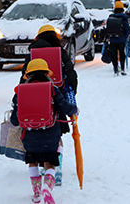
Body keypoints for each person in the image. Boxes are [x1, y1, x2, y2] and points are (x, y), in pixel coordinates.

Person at [11, 59, 78, 204]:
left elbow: (14, 120)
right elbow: (65, 107)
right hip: (50, 134)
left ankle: (36, 193)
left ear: (27, 75)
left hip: (28, 135)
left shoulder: (20, 91)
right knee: (50, 163)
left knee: (33, 162)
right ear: (47, 73)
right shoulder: (52, 89)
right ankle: (47, 188)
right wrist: (75, 110)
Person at [20, 24, 78, 186]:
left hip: (33, 103)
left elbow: (24, 77)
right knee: (56, 133)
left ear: (38, 37)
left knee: (35, 131)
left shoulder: (32, 54)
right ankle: (55, 170)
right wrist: (70, 95)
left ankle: (40, 170)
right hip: (55, 100)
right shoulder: (60, 52)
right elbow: (71, 74)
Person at [106, 1, 130, 76]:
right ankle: (122, 68)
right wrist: (125, 37)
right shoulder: (124, 18)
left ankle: (115, 69)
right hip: (121, 39)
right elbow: (127, 29)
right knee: (122, 53)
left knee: (114, 54)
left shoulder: (111, 17)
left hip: (113, 39)